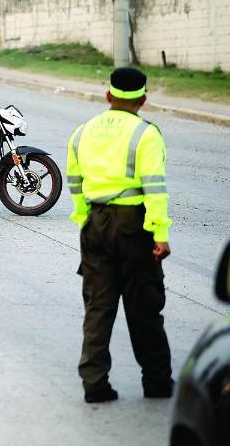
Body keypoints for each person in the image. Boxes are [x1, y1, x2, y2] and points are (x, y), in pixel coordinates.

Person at [67, 66, 172, 404]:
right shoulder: (147, 134)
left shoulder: (83, 132)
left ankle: (95, 384)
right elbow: (155, 187)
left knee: (98, 306)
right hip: (134, 225)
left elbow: (75, 182)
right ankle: (156, 383)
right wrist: (160, 233)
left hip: (95, 224)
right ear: (142, 99)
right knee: (144, 306)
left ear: (108, 95)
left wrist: (85, 221)